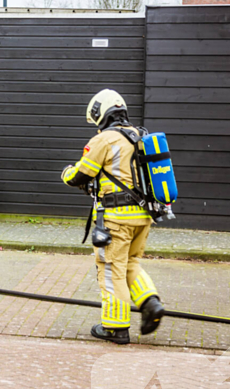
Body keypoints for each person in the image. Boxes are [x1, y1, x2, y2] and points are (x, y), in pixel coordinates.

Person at [61, 89, 165, 344]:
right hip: (143, 217)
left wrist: (66, 172)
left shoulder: (104, 140)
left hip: (117, 219)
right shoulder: (139, 135)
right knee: (130, 264)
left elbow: (80, 175)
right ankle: (150, 302)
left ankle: (115, 327)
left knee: (110, 270)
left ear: (101, 114)